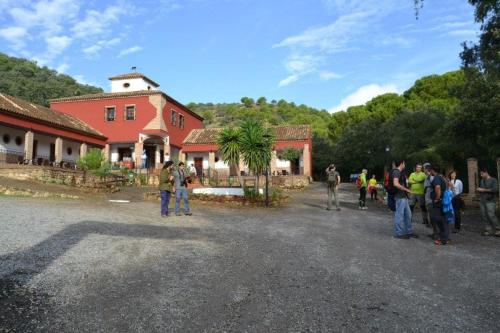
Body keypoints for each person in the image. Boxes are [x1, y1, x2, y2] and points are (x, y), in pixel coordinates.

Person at [391, 160, 416, 239]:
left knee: (408, 215)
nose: (405, 165)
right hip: (399, 197)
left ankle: (409, 232)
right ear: (401, 163)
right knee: (399, 215)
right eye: (404, 163)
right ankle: (399, 233)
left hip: (403, 197)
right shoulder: (396, 172)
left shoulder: (401, 172)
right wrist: (406, 190)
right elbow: (395, 183)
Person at [428, 164, 449, 245]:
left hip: (439, 201)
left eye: (431, 171)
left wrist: (437, 197)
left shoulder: (436, 178)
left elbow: (437, 187)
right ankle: (446, 238)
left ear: (433, 170)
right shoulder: (443, 177)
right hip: (444, 200)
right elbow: (449, 186)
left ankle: (443, 239)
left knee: (438, 219)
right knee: (443, 219)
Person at [477, 168, 500, 236]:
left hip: (490, 201)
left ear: (486, 172)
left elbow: (495, 190)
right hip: (482, 201)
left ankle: (498, 229)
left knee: (491, 215)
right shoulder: (482, 180)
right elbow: (482, 190)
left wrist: (483, 190)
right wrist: (479, 190)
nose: (481, 175)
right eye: (480, 174)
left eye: (482, 174)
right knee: (484, 215)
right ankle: (488, 230)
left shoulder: (493, 180)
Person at [423, 163, 439, 239]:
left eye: (424, 169)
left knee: (433, 216)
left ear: (427, 169)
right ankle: (434, 232)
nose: (423, 170)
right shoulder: (427, 177)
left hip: (431, 200)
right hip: (428, 198)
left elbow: (436, 186)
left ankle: (437, 234)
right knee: (431, 216)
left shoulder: (431, 177)